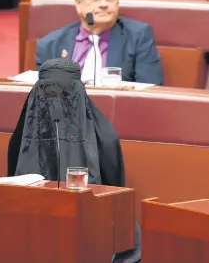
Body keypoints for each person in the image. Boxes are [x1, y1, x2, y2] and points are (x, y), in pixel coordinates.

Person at [8, 58, 141, 263]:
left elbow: (115, 196)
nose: (55, 103)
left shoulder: (105, 137)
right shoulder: (21, 137)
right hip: (32, 224)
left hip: (93, 225)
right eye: (48, 92)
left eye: (65, 93)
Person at [36, 0, 163, 86]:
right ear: (78, 3)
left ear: (118, 3)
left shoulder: (138, 37)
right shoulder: (50, 45)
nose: (103, 4)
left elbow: (150, 89)